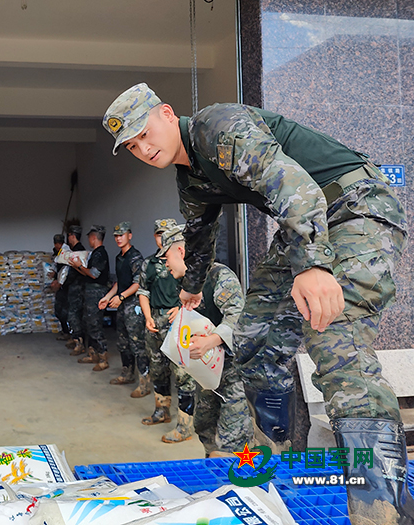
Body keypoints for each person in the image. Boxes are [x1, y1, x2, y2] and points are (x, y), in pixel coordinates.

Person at [104, 84, 409, 523]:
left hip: (354, 206)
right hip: (306, 225)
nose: (143, 148)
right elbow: (198, 235)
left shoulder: (217, 125)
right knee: (253, 336)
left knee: (335, 342)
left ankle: (380, 509)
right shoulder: (191, 181)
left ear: (167, 114)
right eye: (132, 146)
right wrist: (191, 287)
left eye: (144, 133)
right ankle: (279, 460)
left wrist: (313, 265)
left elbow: (291, 182)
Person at [159, 224, 253, 457]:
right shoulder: (187, 285)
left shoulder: (219, 275)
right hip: (208, 374)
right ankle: (216, 475)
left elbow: (237, 316)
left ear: (181, 251)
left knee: (233, 440)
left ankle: (238, 485)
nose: (165, 263)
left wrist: (211, 341)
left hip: (233, 374)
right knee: (204, 426)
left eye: (166, 256)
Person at [137, 218, 199, 443]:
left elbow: (197, 292)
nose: (161, 237)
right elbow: (143, 291)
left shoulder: (188, 262)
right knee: (157, 369)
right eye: (158, 233)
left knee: (183, 373)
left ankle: (185, 425)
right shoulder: (149, 264)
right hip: (155, 320)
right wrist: (147, 317)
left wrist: (181, 309)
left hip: (179, 322)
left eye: (166, 233)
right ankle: (161, 411)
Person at [98, 222, 149, 396]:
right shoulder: (119, 257)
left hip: (133, 305)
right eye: (116, 235)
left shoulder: (135, 257)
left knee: (137, 344)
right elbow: (119, 282)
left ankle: (144, 383)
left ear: (130, 235)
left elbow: (138, 283)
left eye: (122, 235)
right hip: (121, 305)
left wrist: (121, 297)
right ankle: (127, 373)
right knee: (123, 342)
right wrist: (107, 297)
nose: (119, 238)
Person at [69, 225, 110, 370]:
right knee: (88, 323)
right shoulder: (95, 253)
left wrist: (79, 266)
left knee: (95, 325)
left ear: (93, 237)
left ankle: (103, 357)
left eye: (89, 237)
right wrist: (76, 266)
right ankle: (93, 354)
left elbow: (93, 274)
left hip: (96, 293)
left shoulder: (100, 254)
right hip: (90, 293)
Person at [65, 225, 87, 355]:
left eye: (69, 236)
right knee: (73, 314)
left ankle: (80, 342)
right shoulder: (75, 250)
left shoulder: (78, 251)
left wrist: (63, 283)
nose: (68, 238)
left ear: (73, 236)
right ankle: (76, 338)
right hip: (74, 287)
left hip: (77, 288)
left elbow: (74, 272)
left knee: (75, 315)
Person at [49, 233, 71, 339]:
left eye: (59, 243)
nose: (57, 246)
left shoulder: (66, 253)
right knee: (58, 310)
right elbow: (59, 269)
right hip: (61, 286)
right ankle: (65, 331)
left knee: (64, 311)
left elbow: (66, 271)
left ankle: (68, 333)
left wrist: (59, 282)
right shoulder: (58, 253)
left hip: (65, 287)